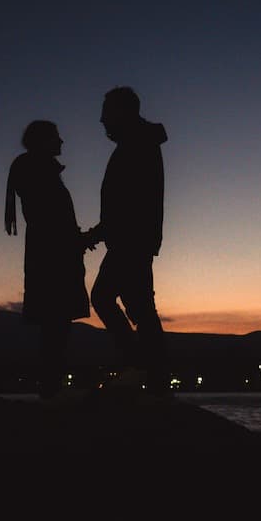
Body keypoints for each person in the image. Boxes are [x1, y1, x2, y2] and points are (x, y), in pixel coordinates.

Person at [84, 86, 169, 390]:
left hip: (131, 240)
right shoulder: (138, 143)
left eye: (107, 113)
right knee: (141, 306)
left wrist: (98, 233)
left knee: (105, 298)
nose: (102, 121)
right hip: (134, 238)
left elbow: (129, 202)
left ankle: (140, 368)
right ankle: (151, 377)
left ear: (122, 112)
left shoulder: (136, 145)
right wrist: (100, 232)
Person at [5, 120, 92, 398]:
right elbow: (53, 221)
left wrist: (78, 240)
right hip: (55, 259)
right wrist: (79, 240)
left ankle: (50, 390)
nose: (62, 141)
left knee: (54, 326)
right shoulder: (40, 173)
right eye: (56, 136)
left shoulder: (34, 171)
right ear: (43, 141)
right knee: (56, 324)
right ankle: (51, 392)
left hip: (49, 255)